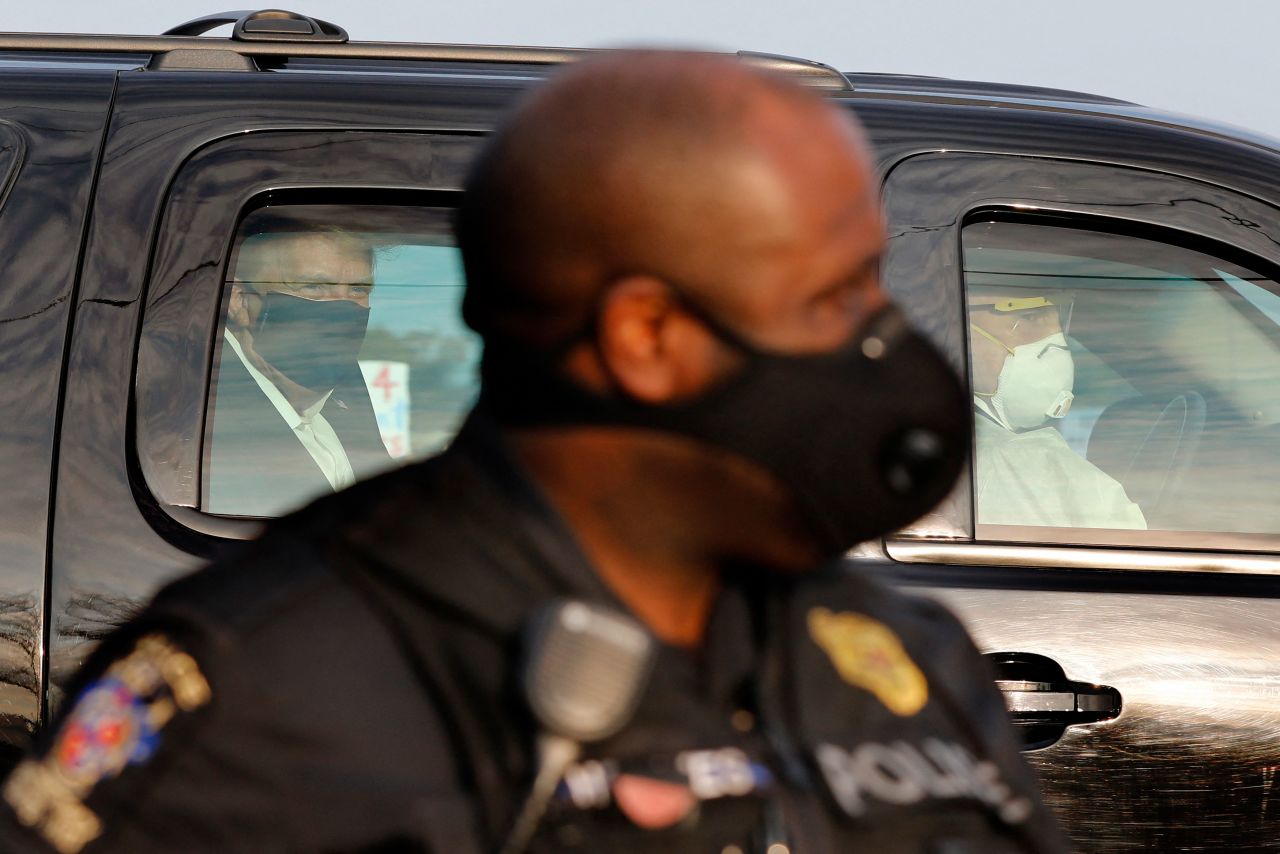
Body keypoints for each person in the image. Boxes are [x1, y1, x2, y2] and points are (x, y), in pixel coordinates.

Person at [0, 52, 1068, 853]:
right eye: (833, 298)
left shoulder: (893, 653)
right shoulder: (250, 702)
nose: (886, 341)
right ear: (644, 336)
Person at [204, 227, 390, 516]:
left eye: (358, 290)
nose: (342, 307)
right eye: (313, 287)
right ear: (239, 301)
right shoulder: (204, 415)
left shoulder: (347, 393)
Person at [968, 287, 1146, 529]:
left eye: (1059, 320)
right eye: (1028, 317)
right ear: (961, 333)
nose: (1058, 344)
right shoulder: (1019, 467)